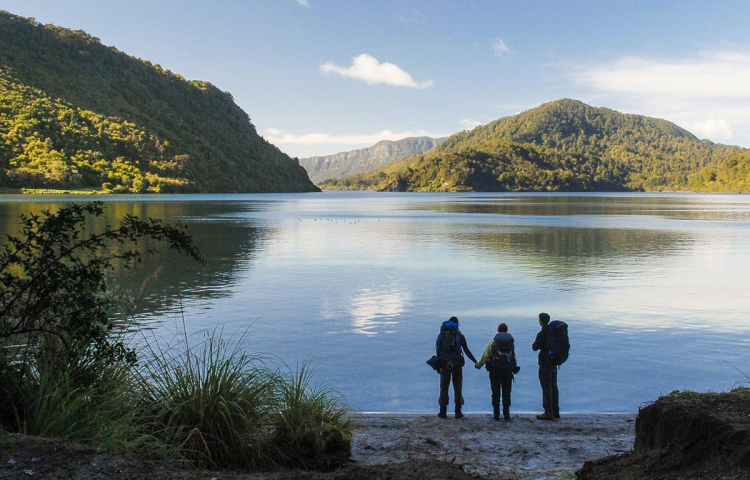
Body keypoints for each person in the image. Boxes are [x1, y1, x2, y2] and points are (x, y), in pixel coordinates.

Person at [436, 316, 477, 419]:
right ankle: (458, 412)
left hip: (444, 364)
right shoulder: (460, 336)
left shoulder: (441, 335)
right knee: (457, 387)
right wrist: (475, 361)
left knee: (444, 387)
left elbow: (438, 351)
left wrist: (438, 366)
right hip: (457, 364)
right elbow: (466, 350)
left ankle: (442, 412)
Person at [475, 323, 519, 421]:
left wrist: (479, 365)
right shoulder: (510, 343)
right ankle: (506, 413)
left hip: (495, 370)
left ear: (498, 331)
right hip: (507, 371)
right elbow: (513, 356)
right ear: (506, 331)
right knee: (506, 392)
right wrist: (514, 367)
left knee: (495, 392)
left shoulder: (493, 341)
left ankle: (496, 414)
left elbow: (486, 354)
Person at [532, 312, 559, 420]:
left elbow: (534, 347)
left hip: (545, 362)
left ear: (541, 321)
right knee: (553, 385)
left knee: (546, 386)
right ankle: (555, 410)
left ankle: (548, 412)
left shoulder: (542, 333)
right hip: (553, 362)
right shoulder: (554, 332)